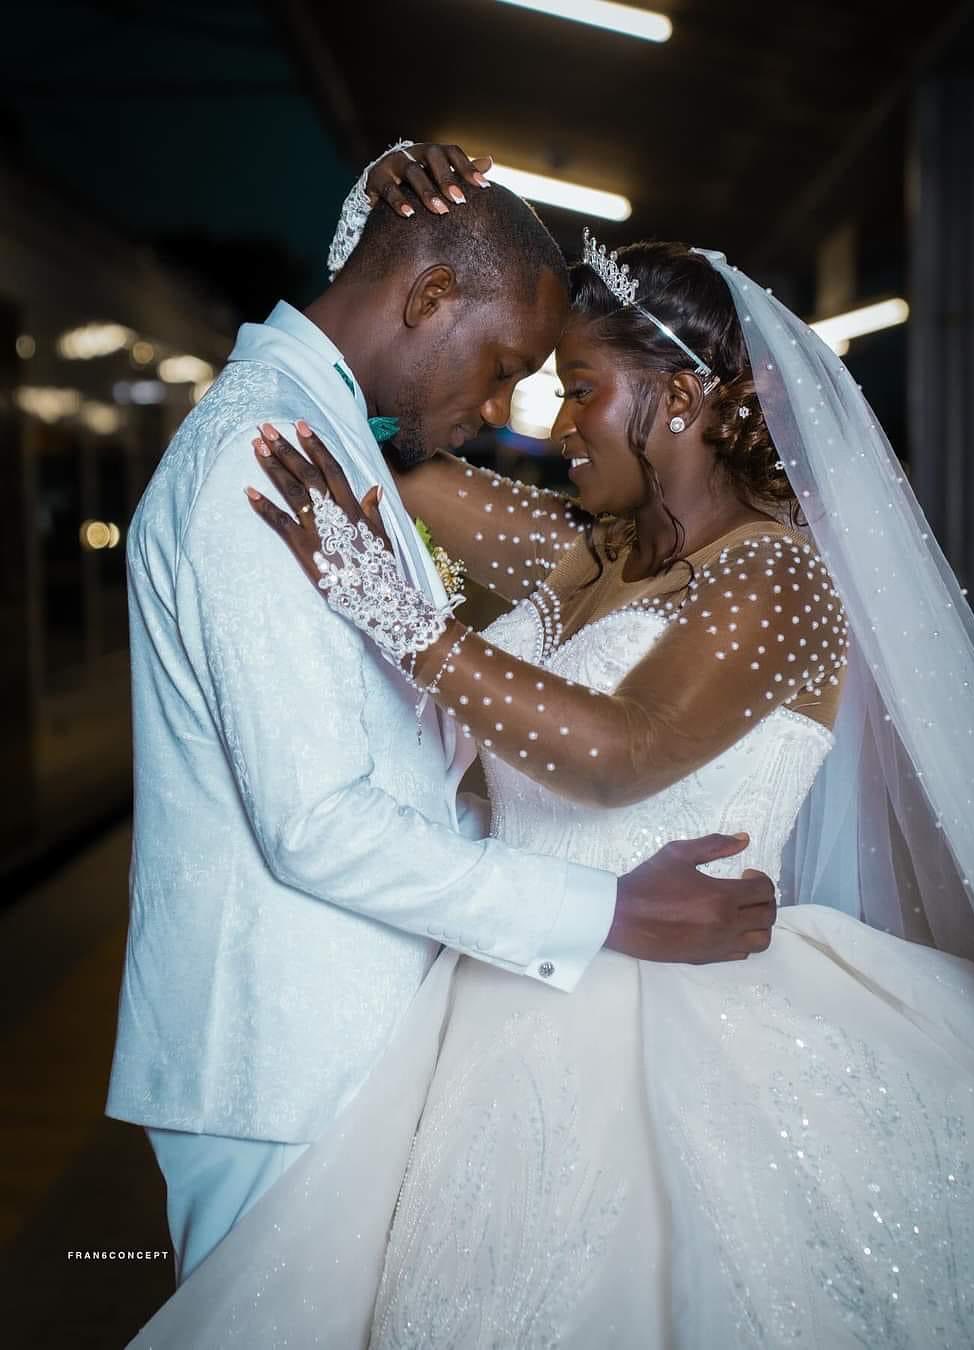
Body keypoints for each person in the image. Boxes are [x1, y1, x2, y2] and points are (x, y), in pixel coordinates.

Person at [126, 147, 974, 1347]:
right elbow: (396, 432)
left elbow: (621, 754)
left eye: (575, 388)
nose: (550, 422)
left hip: (686, 1018)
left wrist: (408, 622)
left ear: (676, 400)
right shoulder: (594, 549)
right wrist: (381, 198)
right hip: (499, 999)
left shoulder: (780, 577)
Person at [105, 145, 778, 1293]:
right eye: (509, 364)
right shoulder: (257, 463)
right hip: (286, 1053)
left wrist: (381, 181)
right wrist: (603, 906)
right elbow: (317, 822)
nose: (506, 406)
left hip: (354, 1032)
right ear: (426, 301)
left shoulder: (329, 436)